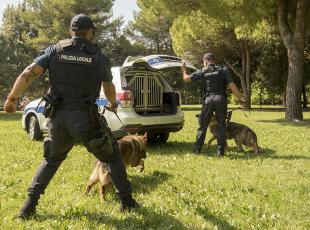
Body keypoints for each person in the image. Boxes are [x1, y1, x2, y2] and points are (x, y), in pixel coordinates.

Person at [4, 14, 139, 219]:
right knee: (112, 157)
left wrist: (12, 98)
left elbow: (28, 72)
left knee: (51, 161)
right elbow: (109, 86)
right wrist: (112, 103)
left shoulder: (54, 51)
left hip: (58, 119)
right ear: (90, 32)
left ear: (71, 32)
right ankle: (127, 202)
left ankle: (27, 208)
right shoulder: (99, 57)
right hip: (87, 120)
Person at [182, 52, 245, 156]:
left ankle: (197, 150)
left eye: (203, 62)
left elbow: (186, 79)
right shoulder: (223, 70)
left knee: (203, 125)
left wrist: (184, 70)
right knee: (221, 125)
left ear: (205, 61)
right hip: (221, 99)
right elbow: (232, 85)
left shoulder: (202, 71)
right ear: (213, 61)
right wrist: (241, 99)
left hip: (208, 100)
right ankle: (220, 151)